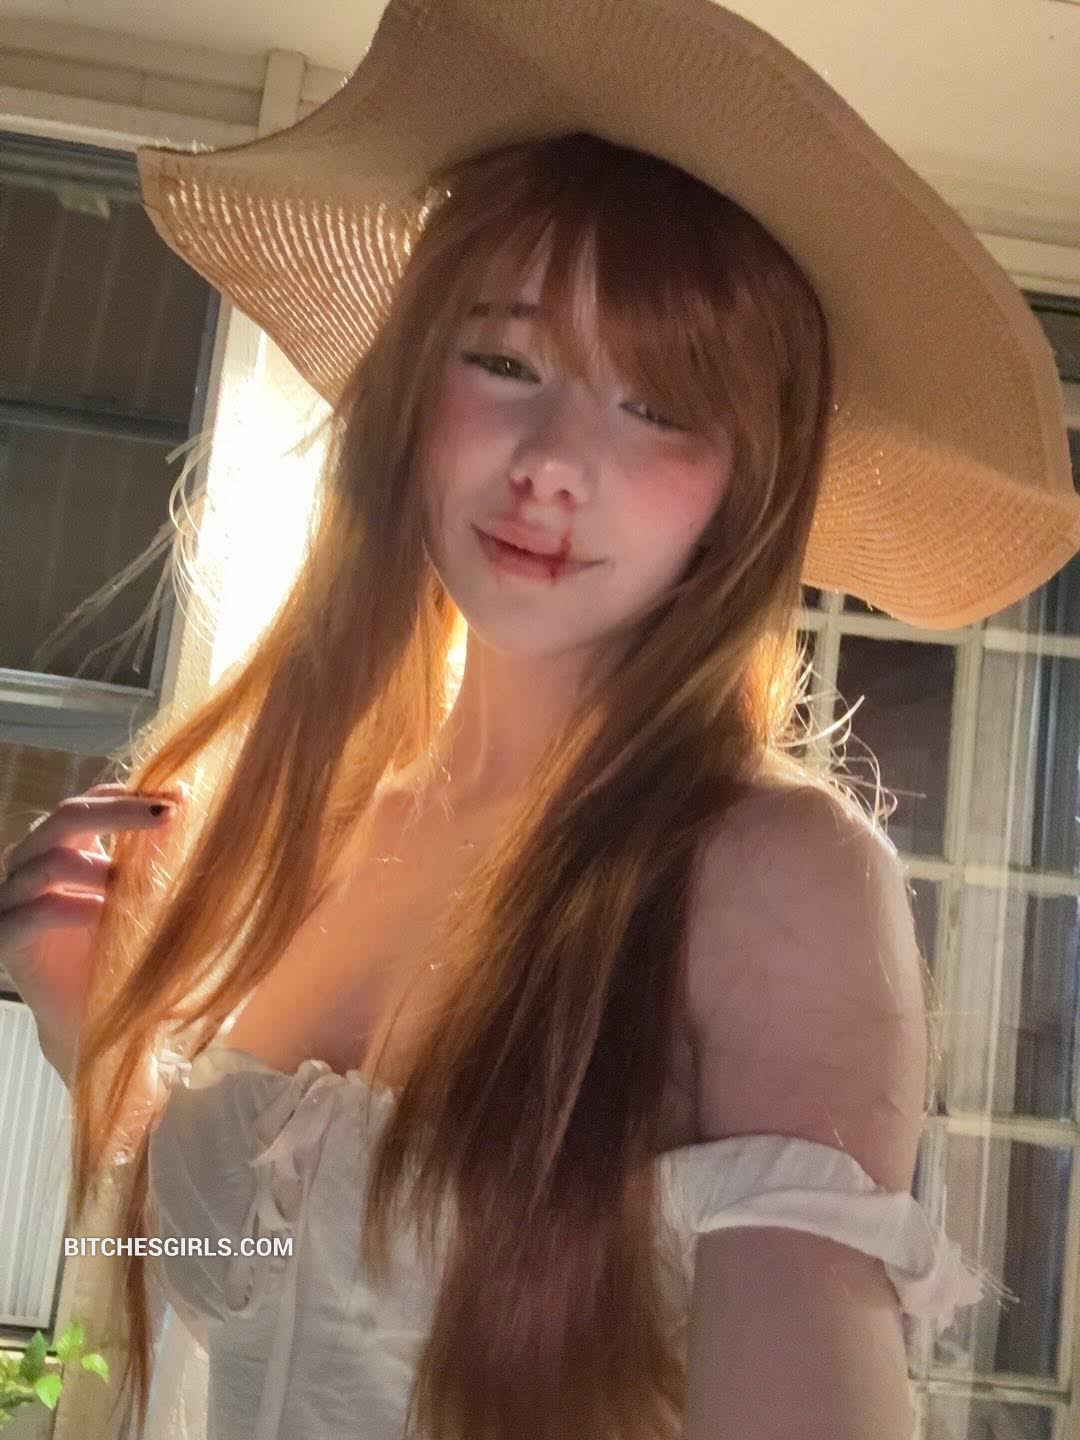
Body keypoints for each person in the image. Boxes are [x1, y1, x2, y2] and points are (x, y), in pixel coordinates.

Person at [1, 0, 1071, 1436]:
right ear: (409, 390)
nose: (556, 462)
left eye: (661, 407)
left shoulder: (766, 874)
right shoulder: (304, 831)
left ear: (743, 491)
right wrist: (92, 1039)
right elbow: (248, 1281)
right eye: (505, 362)